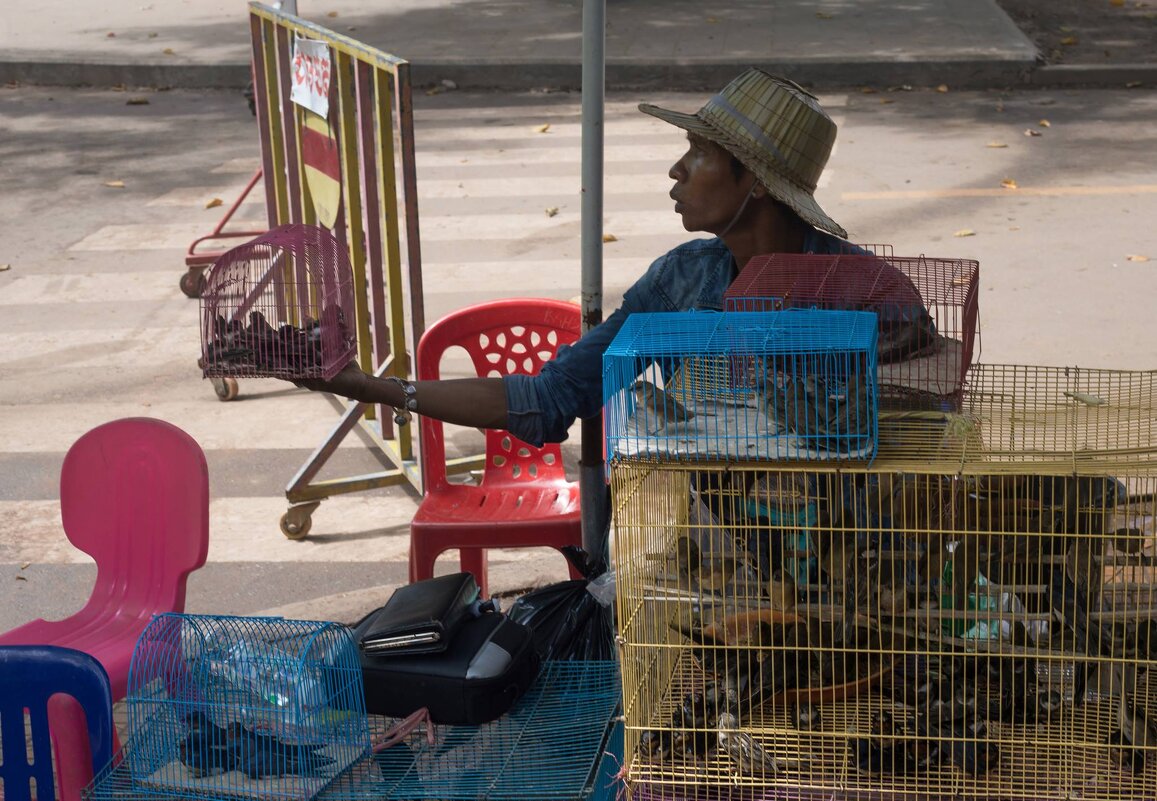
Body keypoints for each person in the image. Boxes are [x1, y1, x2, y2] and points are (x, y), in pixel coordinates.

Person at [296, 68, 857, 448]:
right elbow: (550, 398)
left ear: (755, 182)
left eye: (701, 153)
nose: (677, 170)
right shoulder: (678, 282)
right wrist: (371, 387)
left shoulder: (865, 288)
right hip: (709, 547)